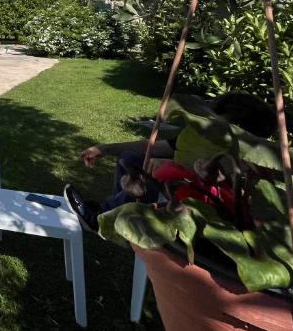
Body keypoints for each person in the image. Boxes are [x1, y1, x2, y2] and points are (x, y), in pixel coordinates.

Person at [64, 92, 278, 232]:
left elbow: (218, 187)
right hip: (186, 192)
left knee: (151, 176)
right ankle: (115, 214)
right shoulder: (203, 137)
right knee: (130, 158)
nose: (206, 124)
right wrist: (105, 148)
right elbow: (156, 147)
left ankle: (99, 219)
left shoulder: (251, 162)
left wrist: (175, 170)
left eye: (215, 121)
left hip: (206, 214)